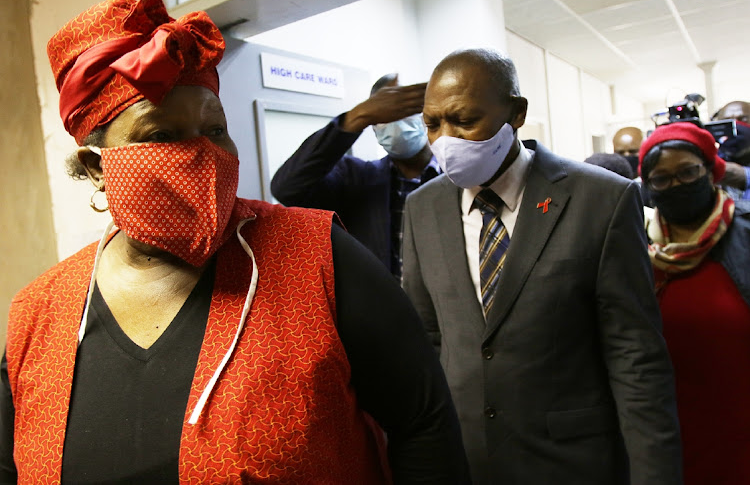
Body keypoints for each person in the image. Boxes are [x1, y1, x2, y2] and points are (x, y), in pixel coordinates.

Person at [0, 0, 471, 484]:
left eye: (215, 129)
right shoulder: (39, 314)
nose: (201, 156)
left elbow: (423, 424)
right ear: (98, 168)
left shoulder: (319, 258)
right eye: (161, 136)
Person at [401, 48, 682, 484]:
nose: (445, 140)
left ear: (515, 113)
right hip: (466, 462)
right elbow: (427, 340)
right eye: (433, 124)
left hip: (570, 462)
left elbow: (635, 357)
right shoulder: (423, 207)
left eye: (464, 120)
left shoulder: (602, 199)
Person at [638, 122, 750, 485]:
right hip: (666, 427)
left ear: (711, 171)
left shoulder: (745, 235)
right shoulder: (634, 248)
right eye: (662, 179)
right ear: (649, 188)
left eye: (688, 172)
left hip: (739, 418)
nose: (677, 185)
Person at [271, 74, 440, 280]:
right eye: (385, 115)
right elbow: (286, 188)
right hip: (383, 309)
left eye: (404, 111)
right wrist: (356, 117)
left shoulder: (458, 179)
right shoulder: (355, 178)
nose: (395, 122)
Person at [712, 100, 750, 199]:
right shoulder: (709, 162)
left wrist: (745, 176)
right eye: (727, 121)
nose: (736, 126)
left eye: (743, 119)